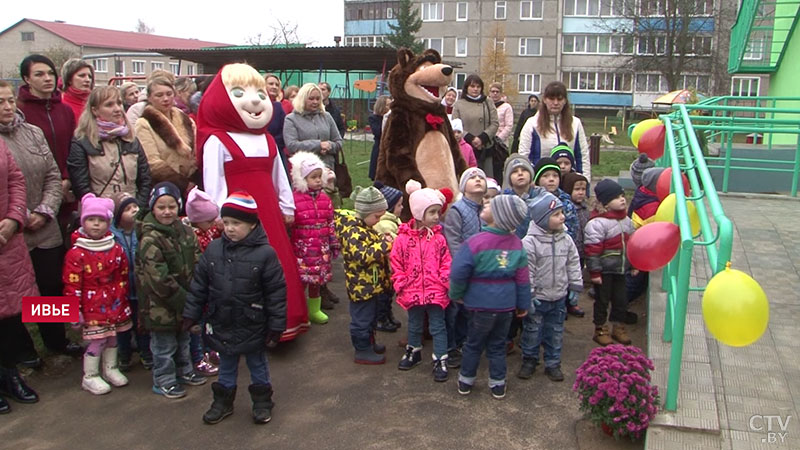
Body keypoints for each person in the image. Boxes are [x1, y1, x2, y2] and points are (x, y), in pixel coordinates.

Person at [197, 63, 307, 341]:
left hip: (269, 214)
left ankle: (283, 321)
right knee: (243, 274)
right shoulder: (217, 141)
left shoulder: (267, 139)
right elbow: (214, 183)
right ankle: (248, 329)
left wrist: (287, 205)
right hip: (239, 220)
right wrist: (223, 218)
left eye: (260, 92)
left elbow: (279, 175)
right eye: (238, 92)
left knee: (276, 266)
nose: (256, 100)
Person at [183, 192, 287, 425]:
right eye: (226, 222)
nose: (229, 228)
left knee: (257, 364)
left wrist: (276, 325)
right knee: (227, 364)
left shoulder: (266, 254)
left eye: (236, 223)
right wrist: (191, 314)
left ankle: (262, 401)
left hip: (253, 323)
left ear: (252, 225)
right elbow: (199, 285)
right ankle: (223, 401)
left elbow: (276, 293)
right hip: (223, 321)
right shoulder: (213, 250)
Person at [0, 80, 73, 366]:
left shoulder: (33, 132)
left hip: (44, 224)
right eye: (0, 102)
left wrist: (44, 210)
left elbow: (53, 176)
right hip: (11, 229)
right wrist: (18, 216)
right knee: (14, 295)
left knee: (51, 285)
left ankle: (57, 340)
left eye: (9, 100)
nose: (6, 107)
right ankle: (24, 352)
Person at [449, 194, 529, 399]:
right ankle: (497, 384)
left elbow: (458, 272)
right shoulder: (517, 244)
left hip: (479, 306)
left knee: (473, 343)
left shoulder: (474, 242)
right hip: (505, 307)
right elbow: (522, 279)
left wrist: (456, 294)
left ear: (499, 216)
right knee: (497, 345)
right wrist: (522, 304)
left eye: (492, 205)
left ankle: (466, 380)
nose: (486, 203)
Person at [135, 182, 205, 399]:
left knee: (184, 339)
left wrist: (197, 293)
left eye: (172, 207)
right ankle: (164, 379)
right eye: (161, 207)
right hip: (160, 305)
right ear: (152, 208)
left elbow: (198, 261)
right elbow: (158, 278)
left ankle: (185, 370)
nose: (167, 212)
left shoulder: (186, 232)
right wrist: (185, 301)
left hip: (186, 300)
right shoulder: (150, 238)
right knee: (163, 345)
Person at [63, 194, 132, 395]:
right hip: (91, 305)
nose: (96, 225)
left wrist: (122, 298)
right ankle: (90, 375)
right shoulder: (76, 253)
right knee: (97, 340)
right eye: (91, 220)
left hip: (114, 302)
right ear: (83, 221)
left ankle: (110, 368)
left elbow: (123, 275)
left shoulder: (115, 248)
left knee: (112, 337)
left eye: (101, 221)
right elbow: (71, 285)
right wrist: (74, 310)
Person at [518, 192, 583, 382]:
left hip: (559, 296)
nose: (562, 217)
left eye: (561, 212)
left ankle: (553, 363)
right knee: (532, 330)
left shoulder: (566, 239)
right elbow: (526, 271)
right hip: (538, 297)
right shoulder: (529, 243)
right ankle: (529, 360)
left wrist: (575, 287)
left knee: (555, 331)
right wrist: (528, 295)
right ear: (542, 219)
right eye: (556, 214)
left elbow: (573, 263)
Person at [391, 180, 451, 381]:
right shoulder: (402, 239)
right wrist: (400, 282)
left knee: (437, 326)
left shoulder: (439, 239)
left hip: (435, 291)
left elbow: (446, 261)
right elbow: (396, 262)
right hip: (412, 290)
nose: (437, 217)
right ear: (418, 214)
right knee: (415, 324)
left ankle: (440, 357)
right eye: (432, 212)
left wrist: (444, 280)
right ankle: (414, 350)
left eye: (438, 212)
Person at [0, 139, 40, 412]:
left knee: (11, 314)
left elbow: (15, 179)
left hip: (7, 238)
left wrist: (15, 218)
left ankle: (9, 373)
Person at [17, 55, 77, 235]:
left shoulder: (65, 110)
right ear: (27, 79)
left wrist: (66, 179)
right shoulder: (20, 111)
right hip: (34, 192)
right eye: (39, 74)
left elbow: (73, 147)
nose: (47, 78)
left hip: (66, 189)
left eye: (51, 73)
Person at [333, 186, 392, 364]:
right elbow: (362, 255)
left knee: (371, 316)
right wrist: (385, 245)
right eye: (376, 216)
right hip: (361, 286)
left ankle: (369, 342)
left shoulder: (364, 226)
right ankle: (362, 349)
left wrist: (381, 239)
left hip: (370, 284)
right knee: (362, 319)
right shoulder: (352, 231)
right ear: (365, 212)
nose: (378, 220)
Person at [68, 86, 153, 207]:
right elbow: (80, 185)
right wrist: (99, 208)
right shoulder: (82, 141)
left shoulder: (131, 139)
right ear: (95, 110)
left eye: (119, 103)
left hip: (132, 210)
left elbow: (145, 179)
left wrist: (137, 207)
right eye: (109, 105)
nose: (118, 109)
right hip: (97, 214)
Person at [442, 168, 487, 366]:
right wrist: (465, 266)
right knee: (455, 310)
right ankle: (451, 347)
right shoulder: (457, 210)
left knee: (471, 310)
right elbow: (453, 241)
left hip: (481, 270)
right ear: (463, 186)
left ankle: (466, 343)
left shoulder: (487, 210)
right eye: (472, 178)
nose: (477, 180)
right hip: (462, 270)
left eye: (481, 178)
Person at [288, 151, 340, 323]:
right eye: (313, 177)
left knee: (317, 282)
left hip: (321, 247)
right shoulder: (294, 200)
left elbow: (331, 222)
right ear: (303, 179)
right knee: (302, 281)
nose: (318, 180)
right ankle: (300, 310)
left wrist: (333, 243)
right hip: (303, 249)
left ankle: (314, 310)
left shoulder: (325, 199)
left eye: (320, 176)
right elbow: (290, 225)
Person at [584, 179, 636, 346]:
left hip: (621, 269)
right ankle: (600, 329)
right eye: (616, 197)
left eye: (622, 195)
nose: (622, 199)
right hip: (605, 272)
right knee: (602, 300)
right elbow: (592, 251)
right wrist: (595, 272)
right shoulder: (597, 224)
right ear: (605, 202)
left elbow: (634, 245)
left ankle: (618, 326)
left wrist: (635, 264)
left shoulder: (627, 221)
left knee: (621, 299)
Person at [110, 192, 152, 371]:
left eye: (135, 206)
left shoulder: (142, 230)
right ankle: (124, 355)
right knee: (122, 327)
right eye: (128, 209)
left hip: (140, 288)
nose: (134, 211)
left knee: (142, 324)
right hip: (121, 291)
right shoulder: (111, 236)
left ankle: (146, 353)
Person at [135, 76, 197, 196]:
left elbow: (195, 149)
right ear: (149, 98)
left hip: (192, 180)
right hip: (164, 187)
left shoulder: (184, 118)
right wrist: (183, 184)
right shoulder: (143, 124)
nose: (165, 99)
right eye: (159, 95)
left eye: (169, 94)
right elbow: (152, 163)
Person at [183, 187, 222, 377]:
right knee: (198, 325)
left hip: (212, 284)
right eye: (209, 220)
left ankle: (211, 349)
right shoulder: (192, 237)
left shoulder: (211, 231)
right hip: (200, 285)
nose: (213, 222)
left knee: (210, 321)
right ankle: (198, 357)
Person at [518, 81, 591, 181]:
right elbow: (524, 157)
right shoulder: (532, 124)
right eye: (551, 99)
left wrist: (584, 183)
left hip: (569, 184)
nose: (556, 103)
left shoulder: (576, 123)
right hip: (540, 185)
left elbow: (583, 157)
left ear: (565, 100)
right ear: (544, 100)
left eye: (560, 99)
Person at [283, 83, 343, 169]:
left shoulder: (326, 116)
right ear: (302, 99)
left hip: (327, 168)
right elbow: (292, 146)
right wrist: (318, 145)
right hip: (303, 170)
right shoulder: (291, 119)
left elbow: (338, 141)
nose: (315, 102)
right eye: (311, 99)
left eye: (318, 99)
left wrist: (329, 146)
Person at [452, 74, 499, 179]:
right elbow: (455, 125)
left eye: (478, 87)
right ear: (466, 88)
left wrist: (482, 138)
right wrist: (471, 138)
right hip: (465, 147)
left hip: (485, 148)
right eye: (472, 86)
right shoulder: (459, 104)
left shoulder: (488, 102)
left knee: (486, 180)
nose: (475, 89)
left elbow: (495, 123)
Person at [372, 181, 403, 332]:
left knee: (389, 293)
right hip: (384, 266)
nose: (402, 208)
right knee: (383, 294)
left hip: (389, 267)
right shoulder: (385, 225)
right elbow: (393, 245)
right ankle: (381, 319)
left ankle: (388, 315)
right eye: (399, 205)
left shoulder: (393, 220)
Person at [562, 172, 590, 265]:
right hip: (569, 251)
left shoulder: (585, 209)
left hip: (582, 252)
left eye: (583, 189)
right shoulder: (566, 209)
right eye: (577, 189)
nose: (581, 192)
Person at [368, 95, 391, 180]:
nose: (390, 107)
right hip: (379, 148)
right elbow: (378, 132)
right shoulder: (373, 118)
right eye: (388, 105)